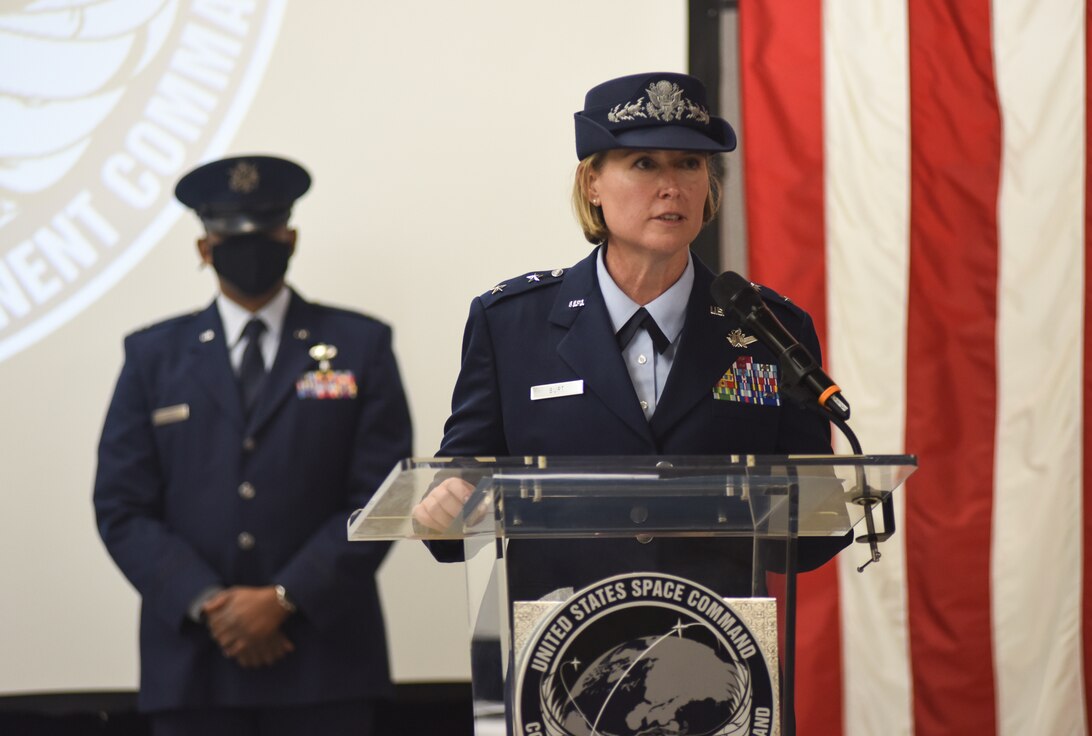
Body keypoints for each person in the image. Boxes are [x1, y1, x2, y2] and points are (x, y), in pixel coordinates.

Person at [412, 72, 850, 599]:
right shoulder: (510, 325)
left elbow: (814, 535)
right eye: (644, 163)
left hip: (712, 639)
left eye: (689, 164)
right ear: (592, 184)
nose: (672, 186)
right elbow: (454, 497)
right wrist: (448, 502)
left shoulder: (767, 328)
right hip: (564, 636)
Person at [93, 155, 412, 736]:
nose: (252, 249)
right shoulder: (152, 357)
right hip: (193, 668)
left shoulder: (360, 344)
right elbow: (122, 506)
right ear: (204, 249)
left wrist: (285, 597)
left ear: (290, 239)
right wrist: (209, 602)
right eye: (233, 239)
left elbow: (382, 498)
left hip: (325, 665)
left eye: (265, 235)